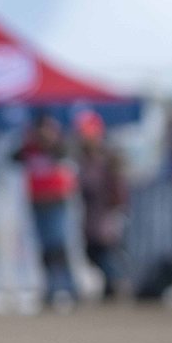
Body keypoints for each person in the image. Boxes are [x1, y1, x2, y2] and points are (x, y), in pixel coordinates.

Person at [14, 114, 79, 309]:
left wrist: (52, 139)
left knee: (58, 245)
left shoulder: (59, 147)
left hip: (56, 202)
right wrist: (29, 139)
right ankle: (50, 289)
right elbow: (14, 156)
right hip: (37, 203)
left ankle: (69, 288)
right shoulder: (30, 149)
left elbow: (64, 153)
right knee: (44, 248)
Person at [73, 111, 129, 300]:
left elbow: (114, 188)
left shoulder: (105, 160)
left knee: (103, 251)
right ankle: (111, 286)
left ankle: (116, 282)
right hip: (90, 215)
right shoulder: (83, 159)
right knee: (94, 252)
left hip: (103, 214)